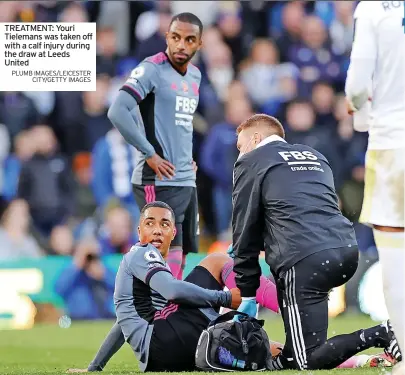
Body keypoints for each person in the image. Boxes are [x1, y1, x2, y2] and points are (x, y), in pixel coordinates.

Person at [67, 201, 394, 373]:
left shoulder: (142, 269)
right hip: (167, 337)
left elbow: (122, 323)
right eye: (149, 223)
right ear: (139, 231)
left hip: (164, 357)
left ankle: (366, 354)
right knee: (219, 261)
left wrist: (95, 367)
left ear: (172, 234)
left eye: (164, 224)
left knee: (276, 353)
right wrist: (228, 297)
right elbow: (174, 292)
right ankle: (287, 303)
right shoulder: (142, 254)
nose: (156, 229)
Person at [230, 114, 401, 370]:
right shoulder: (314, 155)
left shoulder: (252, 161)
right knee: (301, 345)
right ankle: (285, 358)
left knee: (307, 359)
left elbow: (244, 231)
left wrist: (247, 292)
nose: (240, 153)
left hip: (303, 259)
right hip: (345, 248)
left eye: (241, 146)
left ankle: (384, 332)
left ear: (256, 138)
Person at [107, 12, 204, 280]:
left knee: (181, 254)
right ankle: (143, 313)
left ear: (199, 43)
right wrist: (149, 153)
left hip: (185, 178)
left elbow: (180, 124)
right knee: (157, 252)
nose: (181, 45)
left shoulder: (194, 76)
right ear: (167, 38)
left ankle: (165, 315)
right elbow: (117, 111)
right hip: (157, 178)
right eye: (175, 37)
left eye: (189, 39)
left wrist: (187, 158)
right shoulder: (151, 68)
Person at [345, 3, 405, 373]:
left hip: (392, 144)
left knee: (396, 263)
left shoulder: (372, 8)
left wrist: (362, 116)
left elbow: (356, 85)